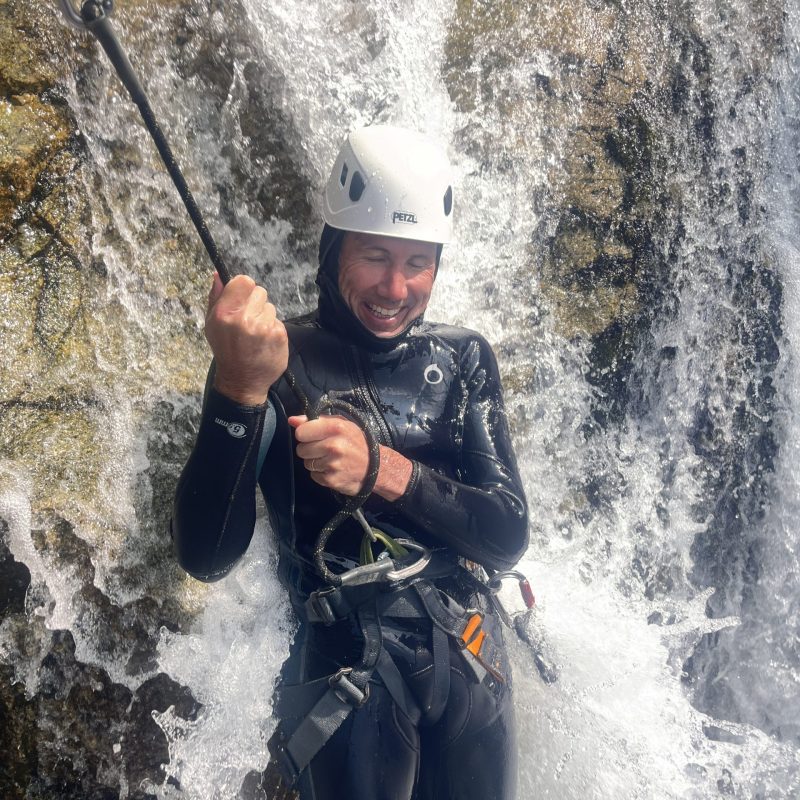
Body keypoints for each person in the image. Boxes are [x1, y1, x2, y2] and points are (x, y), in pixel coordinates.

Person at [172, 125, 529, 800]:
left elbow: (507, 534)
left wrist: (384, 472)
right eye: (375, 256)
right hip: (347, 668)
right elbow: (205, 556)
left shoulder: (463, 359)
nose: (396, 287)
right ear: (335, 248)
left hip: (473, 653)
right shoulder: (276, 359)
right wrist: (240, 389)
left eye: (418, 262)